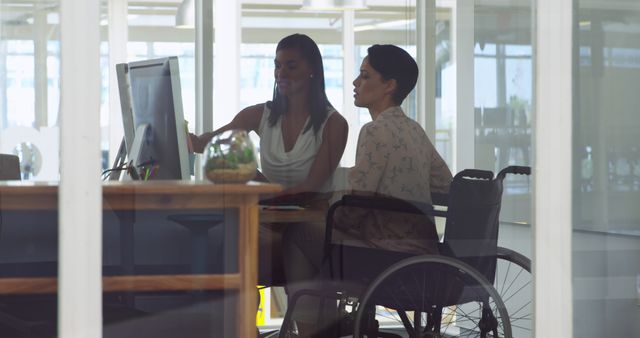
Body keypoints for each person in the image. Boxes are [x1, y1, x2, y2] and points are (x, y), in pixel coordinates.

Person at [281, 44, 452, 336]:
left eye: (364, 76)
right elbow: (446, 186)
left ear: (389, 85)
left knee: (297, 233)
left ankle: (312, 329)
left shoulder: (373, 131)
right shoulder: (414, 130)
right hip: (422, 252)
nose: (355, 83)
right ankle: (328, 322)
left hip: (384, 254)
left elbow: (354, 209)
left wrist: (326, 209)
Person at [191, 33, 348, 288]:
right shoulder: (258, 115)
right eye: (277, 65)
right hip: (274, 221)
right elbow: (213, 143)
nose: (281, 73)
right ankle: (241, 326)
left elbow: (311, 187)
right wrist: (190, 140)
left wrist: (257, 180)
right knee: (228, 242)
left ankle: (297, 323)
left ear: (312, 71)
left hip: (312, 225)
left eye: (291, 66)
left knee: (241, 247)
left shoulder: (334, 124)